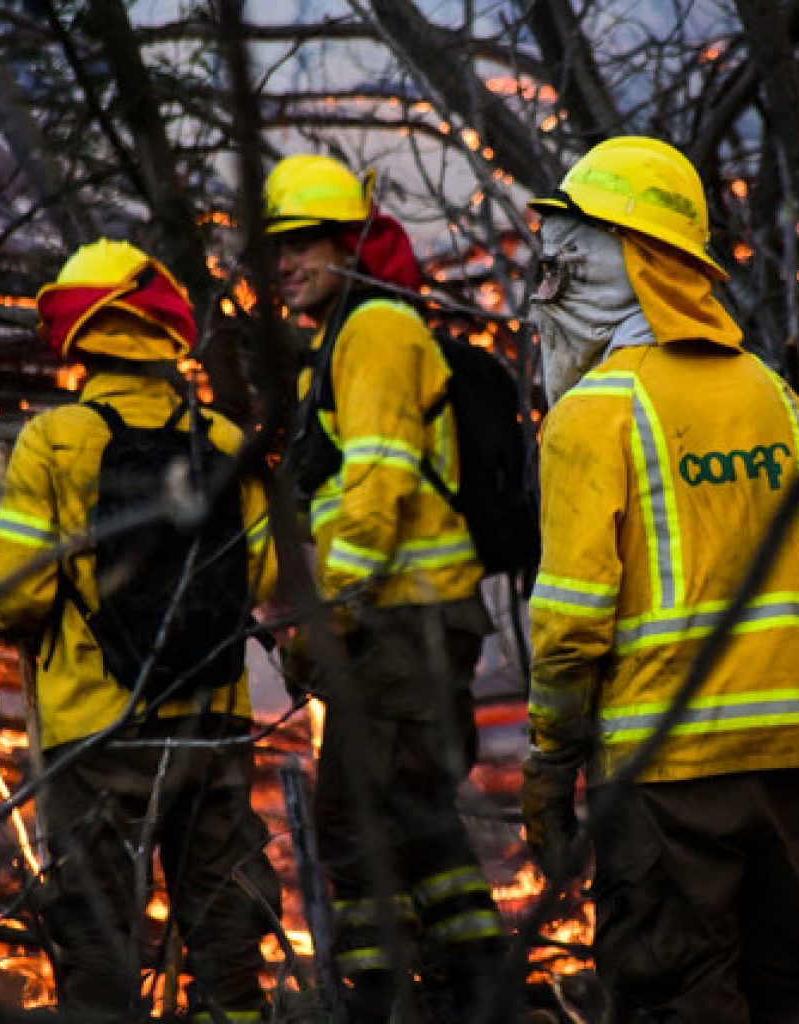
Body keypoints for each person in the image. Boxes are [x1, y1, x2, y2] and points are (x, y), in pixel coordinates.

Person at [521, 136, 799, 1022]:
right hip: (794, 769)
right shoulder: (778, 398)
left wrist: (551, 768)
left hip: (667, 778)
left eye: (566, 256)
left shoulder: (592, 417)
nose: (548, 281)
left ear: (624, 263)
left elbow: (568, 625)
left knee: (680, 998)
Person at [0, 239, 280, 1022]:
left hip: (95, 733)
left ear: (79, 332)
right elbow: (273, 576)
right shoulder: (221, 440)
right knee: (223, 925)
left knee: (97, 931)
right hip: (213, 725)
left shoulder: (53, 441)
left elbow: (14, 597)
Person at [264, 153, 506, 1022]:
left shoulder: (372, 332)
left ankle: (378, 996)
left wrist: (328, 616)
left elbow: (376, 481)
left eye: (304, 245)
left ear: (347, 247)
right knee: (410, 809)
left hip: (401, 619)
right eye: (277, 249)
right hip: (403, 617)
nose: (285, 264)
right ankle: (473, 978)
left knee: (354, 813)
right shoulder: (335, 344)